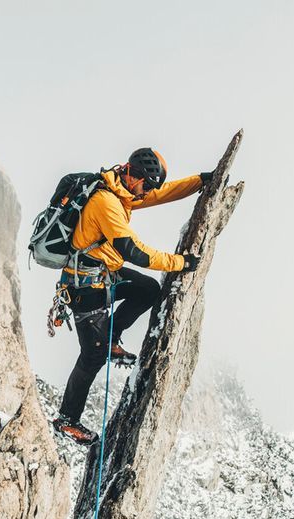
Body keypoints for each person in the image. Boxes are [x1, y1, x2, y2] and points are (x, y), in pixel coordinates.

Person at [53, 147, 214, 445]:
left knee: (148, 290)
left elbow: (160, 193)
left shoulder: (121, 190)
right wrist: (180, 263)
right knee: (92, 356)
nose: (146, 192)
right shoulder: (106, 202)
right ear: (132, 173)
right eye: (145, 185)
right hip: (85, 289)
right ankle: (67, 420)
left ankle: (112, 337)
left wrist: (199, 182)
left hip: (102, 275)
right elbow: (135, 253)